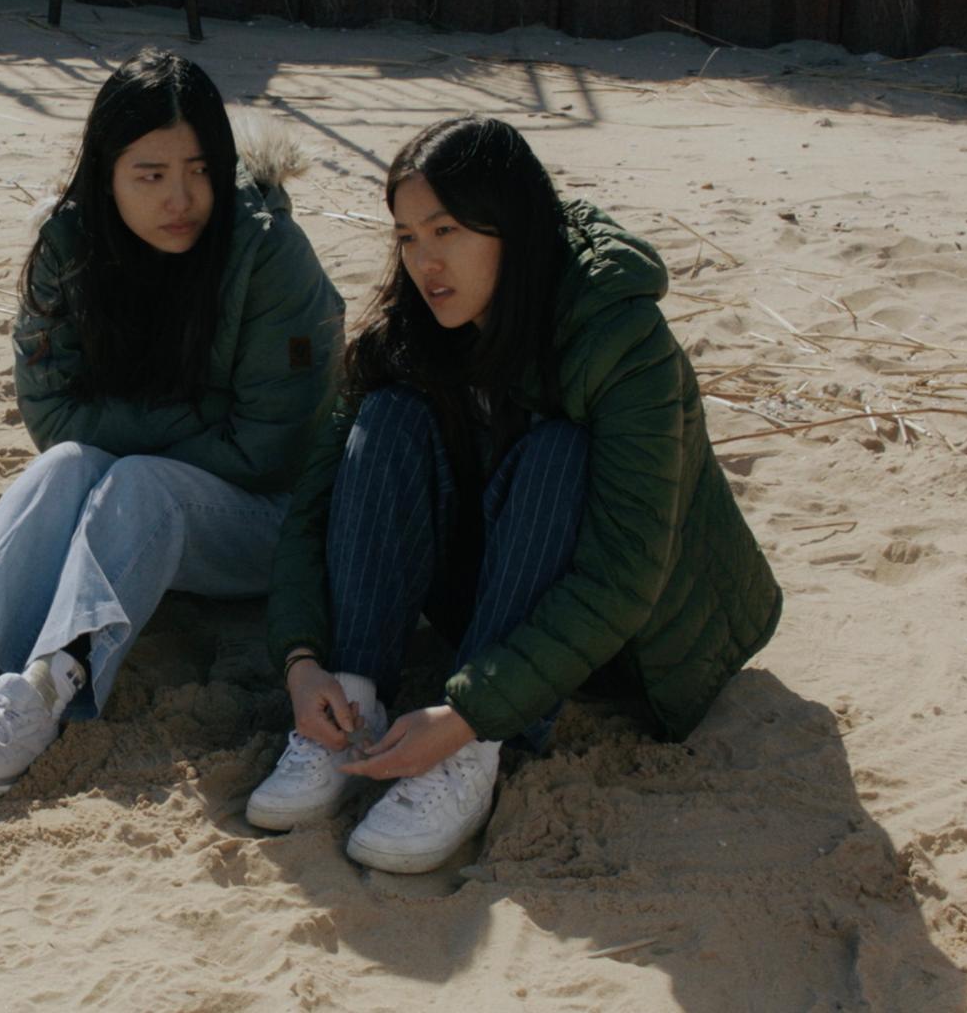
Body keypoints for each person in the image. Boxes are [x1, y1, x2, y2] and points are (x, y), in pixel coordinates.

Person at [246, 114, 782, 872]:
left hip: (621, 634)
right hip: (491, 594)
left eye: (447, 231)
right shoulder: (415, 326)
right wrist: (304, 662)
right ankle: (352, 704)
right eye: (407, 237)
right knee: (388, 415)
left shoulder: (621, 340)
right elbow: (315, 509)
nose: (426, 263)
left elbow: (624, 575)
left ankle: (473, 755)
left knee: (560, 449)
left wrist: (469, 716)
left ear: (514, 226)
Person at [0, 49, 344, 794]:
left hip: (270, 522)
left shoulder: (268, 254)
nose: (181, 198)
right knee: (64, 465)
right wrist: (183, 423)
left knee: (132, 478)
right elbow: (54, 416)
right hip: (130, 511)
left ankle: (41, 695)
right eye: (151, 175)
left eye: (201, 170)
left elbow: (271, 448)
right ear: (106, 173)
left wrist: (132, 443)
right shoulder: (70, 244)